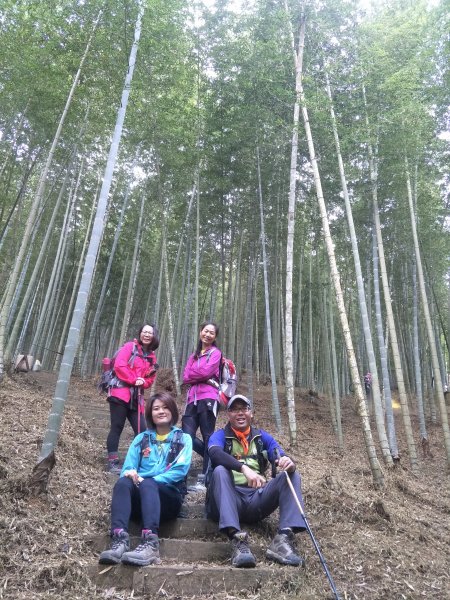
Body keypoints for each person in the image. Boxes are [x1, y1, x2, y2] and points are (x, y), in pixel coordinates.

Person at [206, 394, 307, 568]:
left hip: (255, 500)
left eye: (244, 408)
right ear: (228, 414)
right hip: (226, 500)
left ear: (251, 413)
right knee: (220, 470)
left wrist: (288, 463)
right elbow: (215, 453)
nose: (240, 413)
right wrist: (244, 469)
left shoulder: (262, 438)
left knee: (291, 476)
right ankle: (237, 539)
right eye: (235, 409)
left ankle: (283, 540)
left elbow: (278, 454)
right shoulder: (220, 436)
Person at [99, 392, 193, 566]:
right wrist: (130, 474)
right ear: (150, 413)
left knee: (149, 483)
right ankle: (119, 539)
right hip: (141, 501)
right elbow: (128, 467)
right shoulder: (142, 439)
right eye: (156, 408)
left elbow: (180, 470)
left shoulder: (183, 438)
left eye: (165, 407)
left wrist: (148, 481)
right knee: (122, 482)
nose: (161, 411)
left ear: (172, 411)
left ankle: (150, 542)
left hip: (168, 499)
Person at [106, 324, 160, 474]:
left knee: (142, 430)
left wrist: (144, 382)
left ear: (154, 336)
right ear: (140, 333)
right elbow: (119, 366)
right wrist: (134, 379)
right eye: (144, 332)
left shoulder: (152, 357)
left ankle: (143, 461)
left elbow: (151, 377)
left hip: (137, 398)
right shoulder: (130, 347)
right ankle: (112, 461)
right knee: (117, 426)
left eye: (150, 333)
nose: (147, 335)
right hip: (120, 393)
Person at [182, 322, 222, 491]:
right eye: (205, 331)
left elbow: (206, 372)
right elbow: (185, 376)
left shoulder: (216, 353)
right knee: (186, 436)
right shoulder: (194, 356)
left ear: (215, 337)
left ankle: (205, 479)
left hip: (209, 398)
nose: (207, 334)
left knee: (207, 436)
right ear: (200, 332)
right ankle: (181, 475)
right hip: (192, 398)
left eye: (211, 333)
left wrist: (197, 375)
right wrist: (199, 376)